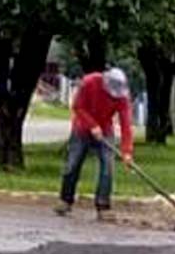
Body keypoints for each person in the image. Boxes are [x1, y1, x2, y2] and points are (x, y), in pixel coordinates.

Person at [56, 67, 134, 219]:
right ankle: (65, 200)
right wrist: (92, 125)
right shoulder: (89, 82)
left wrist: (127, 152)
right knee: (73, 164)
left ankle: (103, 205)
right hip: (81, 128)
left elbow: (126, 125)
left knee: (107, 167)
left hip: (105, 131)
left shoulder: (122, 97)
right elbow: (77, 106)